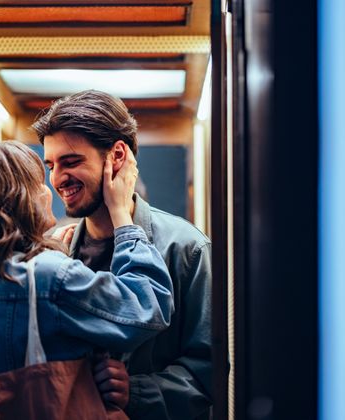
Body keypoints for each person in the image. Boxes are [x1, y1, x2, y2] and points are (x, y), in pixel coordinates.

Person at [0, 141, 174, 419]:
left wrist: (45, 253)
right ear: (16, 200)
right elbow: (147, 305)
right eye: (38, 181)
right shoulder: (47, 277)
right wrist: (121, 216)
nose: (50, 188)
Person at [33, 90, 213, 419]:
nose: (57, 179)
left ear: (117, 156)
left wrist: (138, 392)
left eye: (71, 162)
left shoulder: (186, 248)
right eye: (51, 165)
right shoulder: (56, 252)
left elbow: (209, 371)